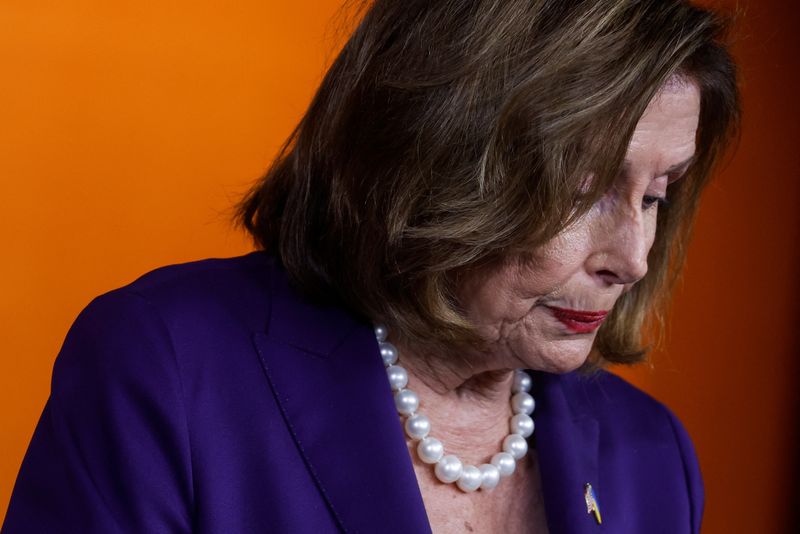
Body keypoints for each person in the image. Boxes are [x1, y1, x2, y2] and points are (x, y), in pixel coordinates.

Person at [2, 0, 739, 532]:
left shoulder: (655, 461)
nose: (633, 258)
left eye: (657, 196)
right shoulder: (167, 369)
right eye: (581, 192)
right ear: (435, 160)